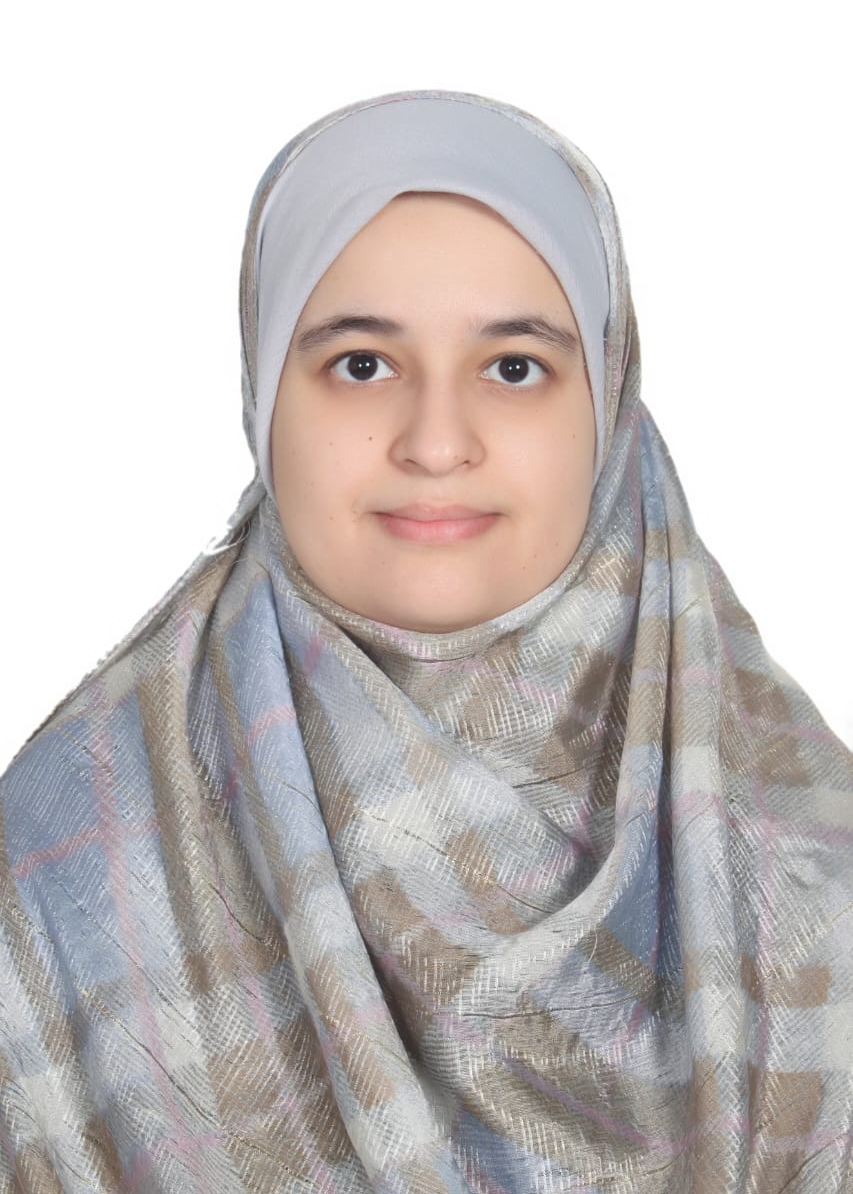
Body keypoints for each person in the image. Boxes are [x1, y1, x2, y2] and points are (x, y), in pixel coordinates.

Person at [0, 90, 849, 1193]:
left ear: (606, 406)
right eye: (361, 363)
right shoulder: (58, 883)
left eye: (513, 367)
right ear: (263, 398)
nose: (436, 442)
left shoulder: (809, 880)